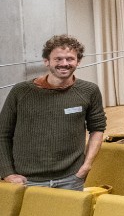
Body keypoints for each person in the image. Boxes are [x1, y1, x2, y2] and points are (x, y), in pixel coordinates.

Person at [0, 35, 106, 190]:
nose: (64, 63)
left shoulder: (89, 91)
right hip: (28, 181)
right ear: (46, 61)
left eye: (70, 59)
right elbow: (3, 133)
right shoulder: (21, 91)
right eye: (58, 59)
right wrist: (7, 172)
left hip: (71, 179)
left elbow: (97, 128)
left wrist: (86, 166)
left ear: (78, 61)